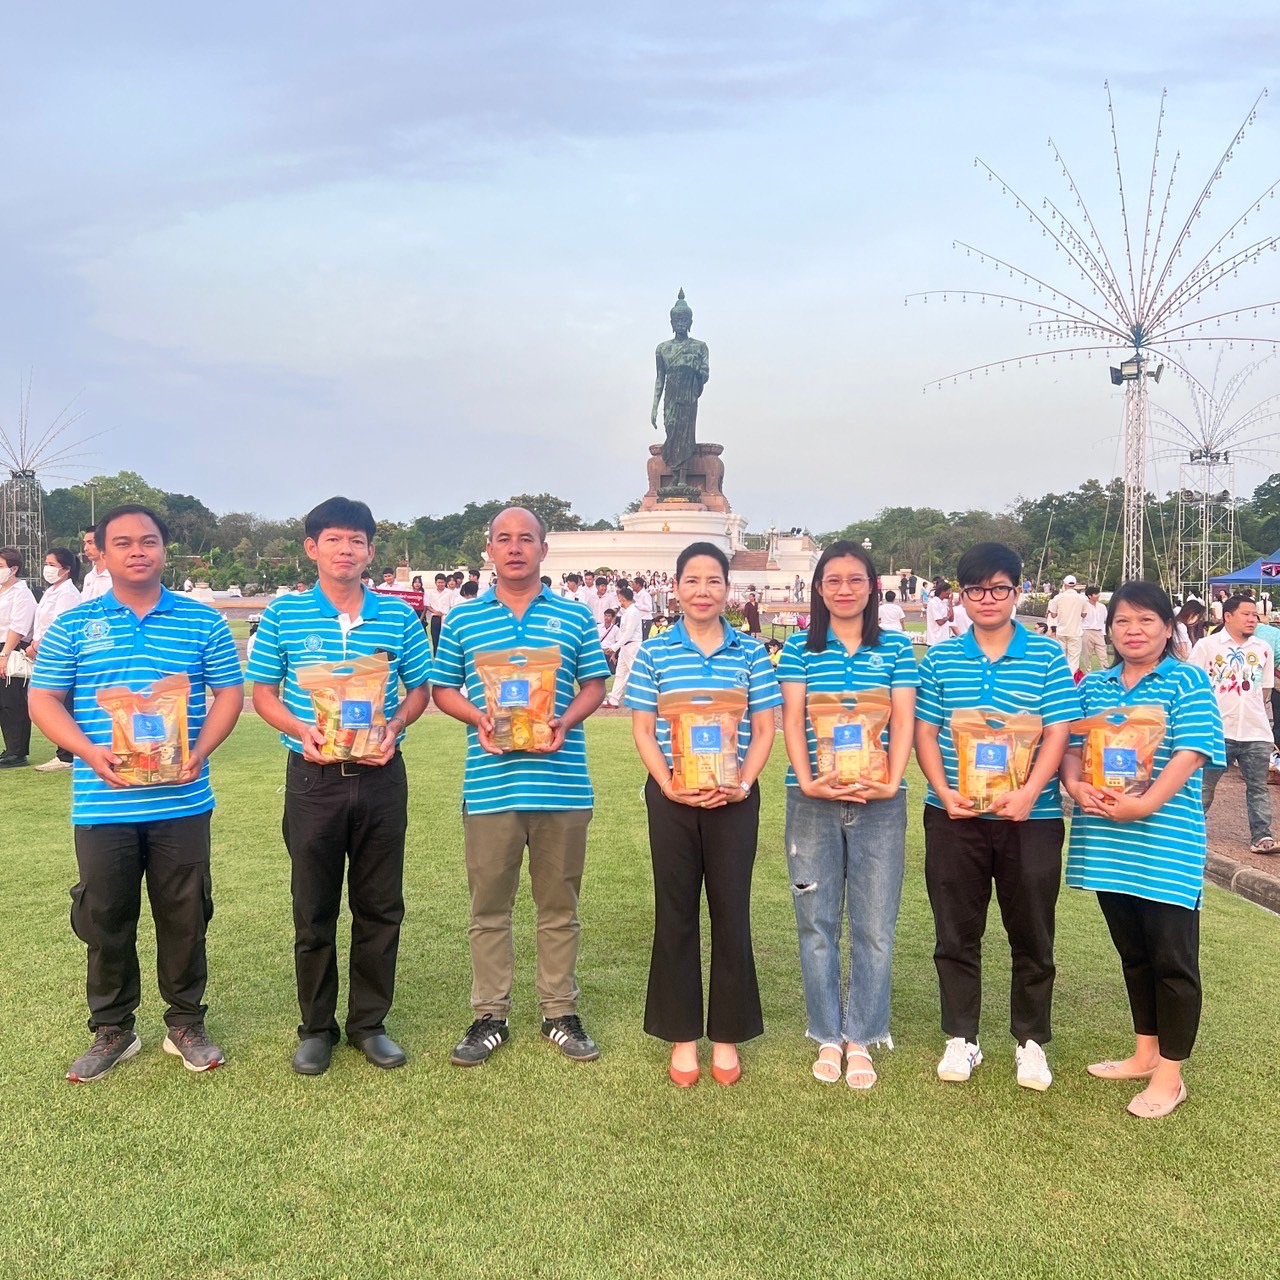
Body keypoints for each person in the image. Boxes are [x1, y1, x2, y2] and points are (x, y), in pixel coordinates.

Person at [28, 504, 244, 1081]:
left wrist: (199, 752)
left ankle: (185, 1022)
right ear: (100, 551)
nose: (137, 551)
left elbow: (228, 693)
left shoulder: (203, 622)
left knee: (185, 913)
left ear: (164, 549)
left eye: (148, 541)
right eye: (122, 543)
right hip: (102, 803)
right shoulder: (75, 624)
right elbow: (44, 698)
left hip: (182, 800)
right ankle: (113, 1029)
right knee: (105, 914)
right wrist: (89, 752)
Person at [247, 497, 433, 1075]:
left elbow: (420, 688)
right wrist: (302, 730)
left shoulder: (399, 617)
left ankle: (369, 1024)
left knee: (380, 905)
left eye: (356, 541)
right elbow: (263, 693)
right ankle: (316, 1027)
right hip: (313, 779)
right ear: (312, 549)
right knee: (314, 905)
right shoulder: (284, 615)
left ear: (370, 550)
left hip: (380, 777)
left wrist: (396, 725)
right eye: (333, 540)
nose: (345, 550)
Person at [432, 507, 609, 1067]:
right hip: (490, 789)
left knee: (559, 906)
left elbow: (595, 683)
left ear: (543, 549)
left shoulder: (574, 616)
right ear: (489, 549)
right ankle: (490, 1014)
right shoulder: (463, 620)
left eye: (525, 539)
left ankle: (559, 1011)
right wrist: (479, 721)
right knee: (489, 908)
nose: (514, 548)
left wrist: (566, 721)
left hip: (561, 786)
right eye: (504, 539)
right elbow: (442, 688)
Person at [914, 542, 1081, 1091]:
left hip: (1028, 818)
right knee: (956, 931)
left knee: (1032, 929)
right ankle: (961, 1037)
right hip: (954, 814)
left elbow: (1058, 730)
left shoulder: (1047, 656)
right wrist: (943, 790)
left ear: (1017, 591)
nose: (988, 599)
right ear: (961, 595)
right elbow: (925, 732)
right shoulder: (940, 658)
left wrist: (1032, 792)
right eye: (976, 589)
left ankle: (1030, 1041)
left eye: (1000, 588)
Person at [1061, 582, 1225, 1118]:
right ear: (1109, 630)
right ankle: (1145, 1053)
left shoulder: (1188, 680)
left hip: (1165, 843)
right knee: (1134, 955)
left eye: (1147, 621)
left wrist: (1146, 802)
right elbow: (1074, 746)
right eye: (1123, 622)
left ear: (1167, 628)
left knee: (1173, 961)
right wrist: (1076, 787)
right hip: (1108, 842)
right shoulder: (1097, 686)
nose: (1134, 631)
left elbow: (1193, 750)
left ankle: (1171, 1077)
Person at [625, 542, 780, 1087]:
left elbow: (765, 728)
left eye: (713, 581)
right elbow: (643, 728)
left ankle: (728, 1036)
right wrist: (668, 783)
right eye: (692, 581)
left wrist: (742, 783)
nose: (702, 591)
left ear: (728, 589)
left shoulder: (751, 654)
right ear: (676, 587)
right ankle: (682, 1037)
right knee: (675, 911)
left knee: (731, 911)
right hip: (672, 798)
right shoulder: (654, 653)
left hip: (734, 800)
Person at [777, 541, 918, 1089]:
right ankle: (825, 1033)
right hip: (811, 799)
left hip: (881, 803)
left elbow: (903, 720)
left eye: (855, 580)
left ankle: (861, 1034)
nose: (843, 589)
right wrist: (808, 779)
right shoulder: (798, 650)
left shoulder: (898, 650)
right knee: (816, 922)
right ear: (818, 588)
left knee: (875, 925)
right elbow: (792, 720)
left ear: (871, 586)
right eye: (832, 580)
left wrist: (889, 780)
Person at [1189, 595, 1275, 853]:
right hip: (1217, 729)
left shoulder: (1262, 648)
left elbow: (1265, 690)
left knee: (1258, 787)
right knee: (1204, 786)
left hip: (1255, 730)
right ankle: (1192, 834)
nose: (1253, 620)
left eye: (1255, 615)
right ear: (1227, 616)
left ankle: (1262, 837)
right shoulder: (1207, 646)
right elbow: (1192, 685)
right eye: (1247, 614)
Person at [30, 547, 83, 771]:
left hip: (60, 653)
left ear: (66, 569)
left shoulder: (68, 593)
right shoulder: (53, 590)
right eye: (47, 564)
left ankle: (68, 755)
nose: (47, 569)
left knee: (66, 704)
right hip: (43, 650)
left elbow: (61, 625)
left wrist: (39, 645)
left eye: (52, 565)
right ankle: (64, 752)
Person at [0, 547, 38, 767]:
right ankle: (9, 748)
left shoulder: (21, 592)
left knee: (12, 701)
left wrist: (5, 654)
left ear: (13, 569)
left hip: (11, 646)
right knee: (2, 702)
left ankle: (17, 751)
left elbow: (19, 626)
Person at [604, 584, 643, 708]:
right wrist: (616, 647)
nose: (618, 600)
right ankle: (613, 699)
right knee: (620, 673)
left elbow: (629, 633)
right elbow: (624, 633)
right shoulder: (627, 612)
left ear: (623, 598)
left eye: (619, 598)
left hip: (632, 646)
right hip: (625, 647)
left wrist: (615, 647)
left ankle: (647, 698)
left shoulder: (633, 612)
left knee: (636, 672)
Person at [1048, 575, 1089, 675]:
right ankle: (1072, 681)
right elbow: (1084, 614)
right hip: (1075, 632)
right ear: (1075, 585)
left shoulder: (1058, 598)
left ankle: (1061, 678)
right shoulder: (1082, 598)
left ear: (1065, 585)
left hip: (1061, 631)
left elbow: (1053, 615)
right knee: (1074, 659)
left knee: (1062, 658)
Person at [80, 528, 113, 601]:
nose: (85, 548)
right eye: (85, 544)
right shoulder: (89, 577)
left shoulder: (116, 576)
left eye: (90, 543)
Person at [1082, 586, 1108, 671]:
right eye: (1095, 594)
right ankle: (1087, 674)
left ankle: (1106, 673)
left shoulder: (1102, 606)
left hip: (1099, 632)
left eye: (1098, 593)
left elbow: (1105, 620)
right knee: (1087, 655)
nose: (1098, 595)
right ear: (1089, 596)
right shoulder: (1084, 606)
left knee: (1103, 655)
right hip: (1087, 632)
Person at [424, 572, 452, 651]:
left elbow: (452, 605)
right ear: (435, 583)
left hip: (446, 618)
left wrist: (445, 614)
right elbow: (428, 605)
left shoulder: (449, 592)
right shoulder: (431, 593)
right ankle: (436, 659)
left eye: (442, 582)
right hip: (435, 617)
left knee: (446, 640)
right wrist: (435, 611)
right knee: (435, 640)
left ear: (445, 583)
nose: (440, 584)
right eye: (439, 582)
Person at [924, 578, 954, 646]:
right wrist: (948, 616)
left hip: (944, 640)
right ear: (943, 591)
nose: (950, 593)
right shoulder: (934, 602)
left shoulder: (944, 602)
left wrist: (950, 604)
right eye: (948, 591)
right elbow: (940, 622)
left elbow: (951, 619)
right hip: (935, 641)